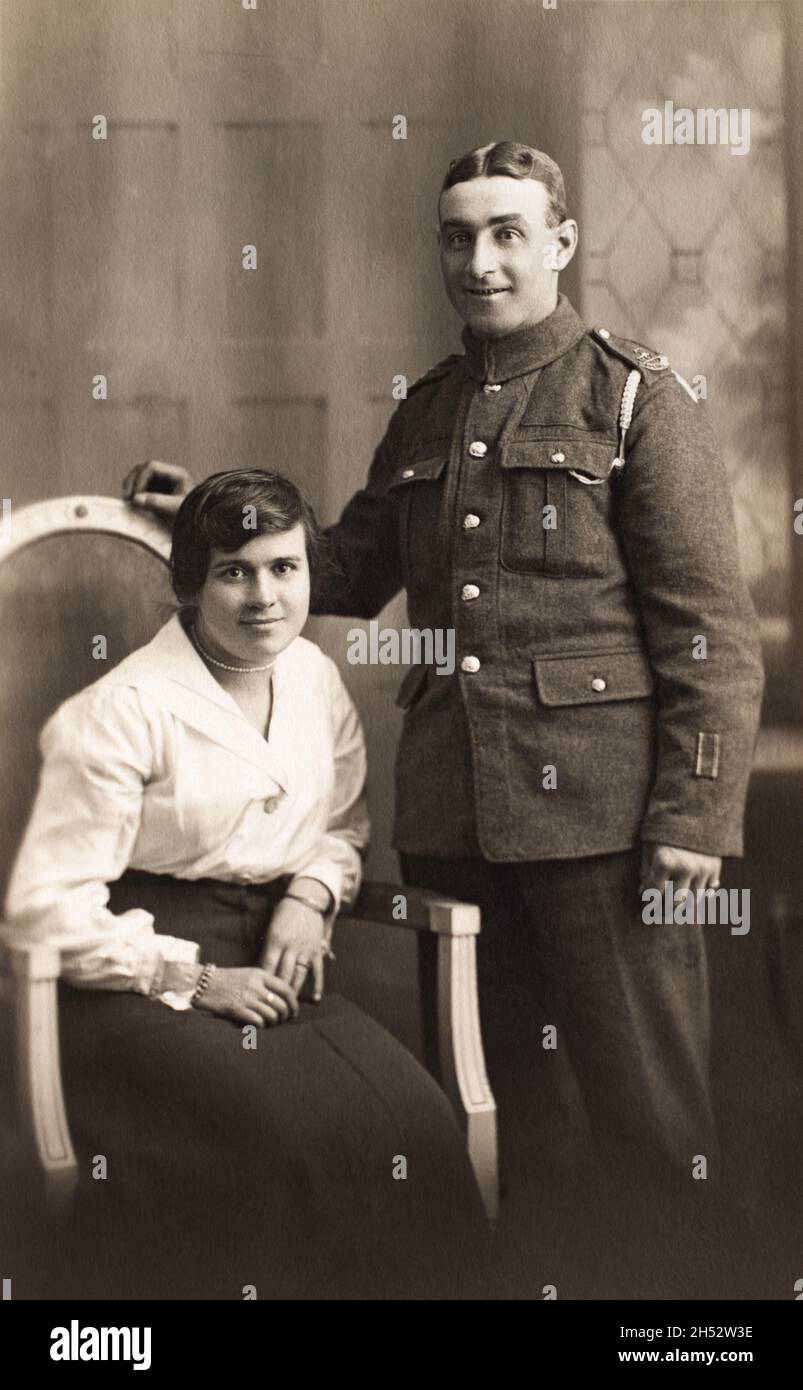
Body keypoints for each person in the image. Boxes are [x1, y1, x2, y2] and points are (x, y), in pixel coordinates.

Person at [124, 142, 765, 1296]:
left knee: (652, 1126)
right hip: (459, 825)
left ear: (559, 243)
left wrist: (692, 816)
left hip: (610, 832)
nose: (479, 261)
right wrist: (214, 520)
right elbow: (348, 567)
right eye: (458, 237)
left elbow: (707, 631)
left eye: (508, 233)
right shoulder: (427, 413)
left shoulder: (631, 394)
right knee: (511, 1119)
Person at [5, 468, 486, 1301]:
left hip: (274, 965)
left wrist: (310, 895)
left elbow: (341, 827)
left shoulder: (313, 680)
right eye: (234, 571)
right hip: (127, 990)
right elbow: (42, 917)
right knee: (286, 1141)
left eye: (284, 568)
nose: (264, 596)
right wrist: (190, 977)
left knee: (419, 1125)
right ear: (188, 588)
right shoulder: (121, 711)